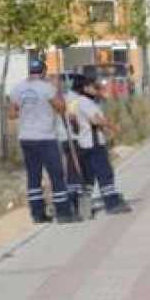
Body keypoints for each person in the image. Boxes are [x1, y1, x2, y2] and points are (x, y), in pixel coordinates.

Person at [9, 60, 79, 224]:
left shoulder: (18, 88)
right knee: (56, 174)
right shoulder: (47, 88)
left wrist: (28, 110)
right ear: (43, 72)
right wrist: (58, 92)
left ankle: (37, 214)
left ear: (30, 72)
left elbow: (12, 114)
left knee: (33, 176)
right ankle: (63, 213)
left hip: (26, 138)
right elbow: (61, 108)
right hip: (45, 137)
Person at [73, 77, 133, 215]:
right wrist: (113, 127)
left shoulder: (79, 102)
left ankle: (84, 208)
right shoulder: (85, 102)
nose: (97, 89)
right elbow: (96, 120)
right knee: (104, 174)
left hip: (85, 143)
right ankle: (112, 204)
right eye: (94, 87)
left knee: (88, 177)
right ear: (85, 88)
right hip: (93, 144)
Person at [56, 73, 87, 215]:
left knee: (71, 169)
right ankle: (74, 200)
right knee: (73, 169)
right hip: (67, 138)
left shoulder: (68, 98)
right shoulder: (69, 98)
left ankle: (74, 199)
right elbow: (74, 119)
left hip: (68, 138)